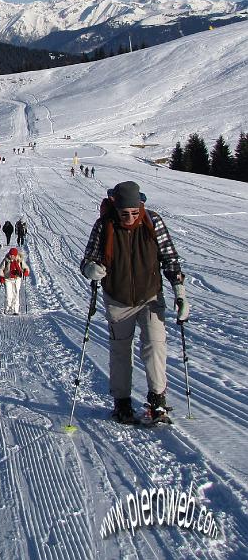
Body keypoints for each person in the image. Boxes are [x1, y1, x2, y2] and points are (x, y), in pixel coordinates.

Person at [80, 181, 186, 425]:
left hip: (150, 296)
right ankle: (122, 402)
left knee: (155, 345)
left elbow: (169, 257)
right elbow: (88, 258)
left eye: (134, 213)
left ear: (141, 206)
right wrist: (90, 268)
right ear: (116, 207)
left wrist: (179, 289)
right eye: (124, 213)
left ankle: (157, 400)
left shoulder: (152, 221)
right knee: (120, 350)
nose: (129, 217)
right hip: (118, 298)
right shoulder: (104, 226)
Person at [0, 247, 29, 315]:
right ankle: (7, 308)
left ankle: (15, 310)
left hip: (17, 279)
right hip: (7, 279)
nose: (11, 256)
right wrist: (1, 276)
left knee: (16, 294)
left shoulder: (20, 260)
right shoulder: (6, 260)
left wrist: (26, 271)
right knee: (9, 295)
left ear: (15, 255)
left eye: (12, 255)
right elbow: (0, 269)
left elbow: (26, 268)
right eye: (10, 254)